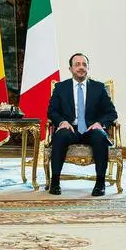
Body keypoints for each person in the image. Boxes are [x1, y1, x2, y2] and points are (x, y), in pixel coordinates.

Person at [46, 53, 118, 196]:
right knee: (60, 136)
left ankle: (100, 183)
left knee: (100, 136)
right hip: (70, 128)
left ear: (88, 68)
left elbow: (111, 113)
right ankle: (55, 182)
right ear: (70, 69)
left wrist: (100, 123)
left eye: (84, 64)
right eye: (77, 64)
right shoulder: (61, 87)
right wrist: (62, 122)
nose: (81, 67)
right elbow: (52, 111)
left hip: (91, 129)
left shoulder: (99, 87)